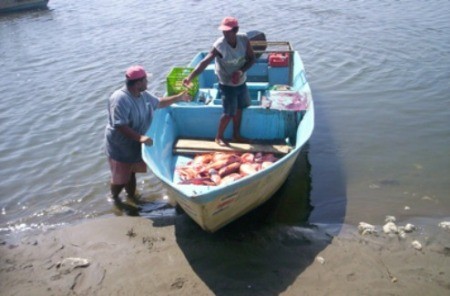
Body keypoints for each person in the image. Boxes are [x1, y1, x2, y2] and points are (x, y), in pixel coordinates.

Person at [105, 65, 190, 210]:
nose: (147, 83)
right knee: (119, 178)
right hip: (120, 146)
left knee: (131, 173)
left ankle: (132, 198)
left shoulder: (143, 95)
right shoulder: (120, 99)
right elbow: (120, 125)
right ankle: (114, 200)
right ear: (138, 83)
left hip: (134, 143)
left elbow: (159, 102)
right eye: (145, 80)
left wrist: (179, 97)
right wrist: (140, 138)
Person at [183, 16, 256, 146]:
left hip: (241, 80)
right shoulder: (220, 45)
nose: (225, 34)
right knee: (228, 113)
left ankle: (236, 135)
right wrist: (190, 77)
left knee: (239, 109)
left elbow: (252, 59)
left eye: (228, 31)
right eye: (223, 31)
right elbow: (204, 62)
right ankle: (218, 137)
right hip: (226, 83)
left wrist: (241, 71)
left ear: (236, 30)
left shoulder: (244, 39)